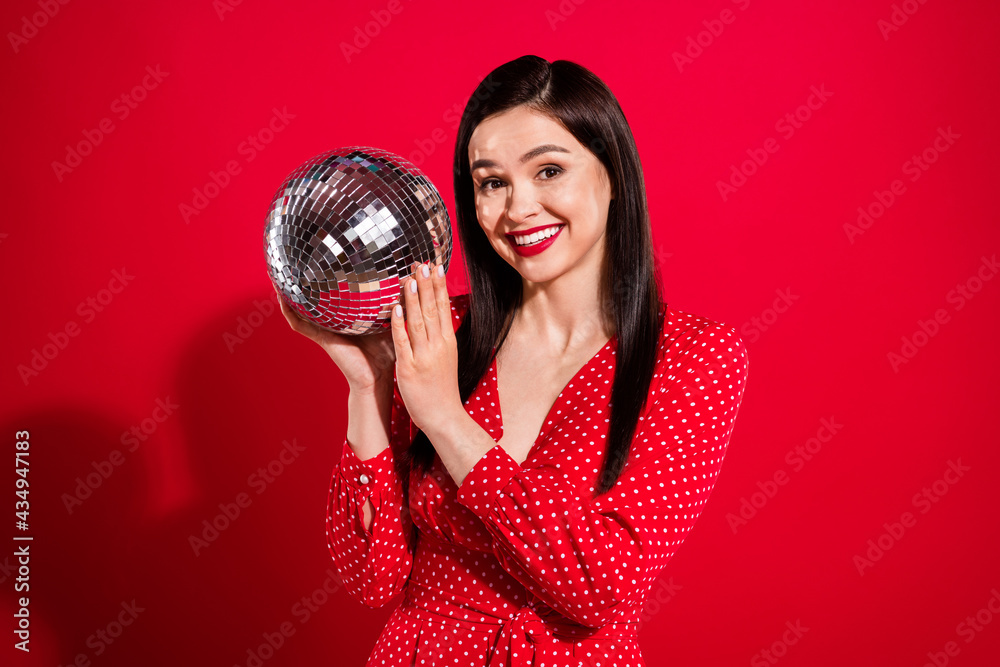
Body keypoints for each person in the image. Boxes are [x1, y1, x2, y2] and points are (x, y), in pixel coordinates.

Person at [276, 54, 749, 667]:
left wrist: (446, 418)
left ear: (613, 176)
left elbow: (598, 586)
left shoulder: (694, 358)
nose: (518, 208)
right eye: (492, 182)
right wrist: (368, 384)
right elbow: (375, 577)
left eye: (548, 170)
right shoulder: (437, 331)